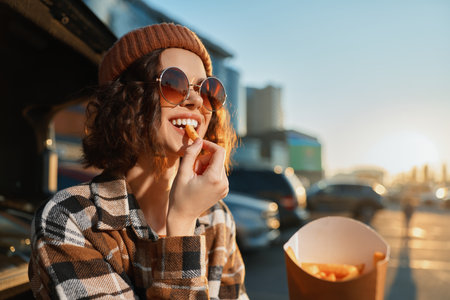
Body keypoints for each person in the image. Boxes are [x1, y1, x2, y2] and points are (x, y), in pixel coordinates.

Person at [28, 23, 247, 299]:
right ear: (127, 100)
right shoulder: (70, 220)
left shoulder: (218, 219)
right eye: (173, 83)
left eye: (207, 90)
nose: (195, 100)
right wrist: (181, 225)